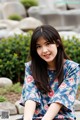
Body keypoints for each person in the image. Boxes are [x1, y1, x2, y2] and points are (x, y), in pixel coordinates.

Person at [20, 25, 80, 120]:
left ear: (57, 43)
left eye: (48, 44)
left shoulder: (72, 68)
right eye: (39, 46)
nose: (44, 50)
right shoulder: (31, 67)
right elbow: (30, 95)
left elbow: (60, 99)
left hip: (62, 118)